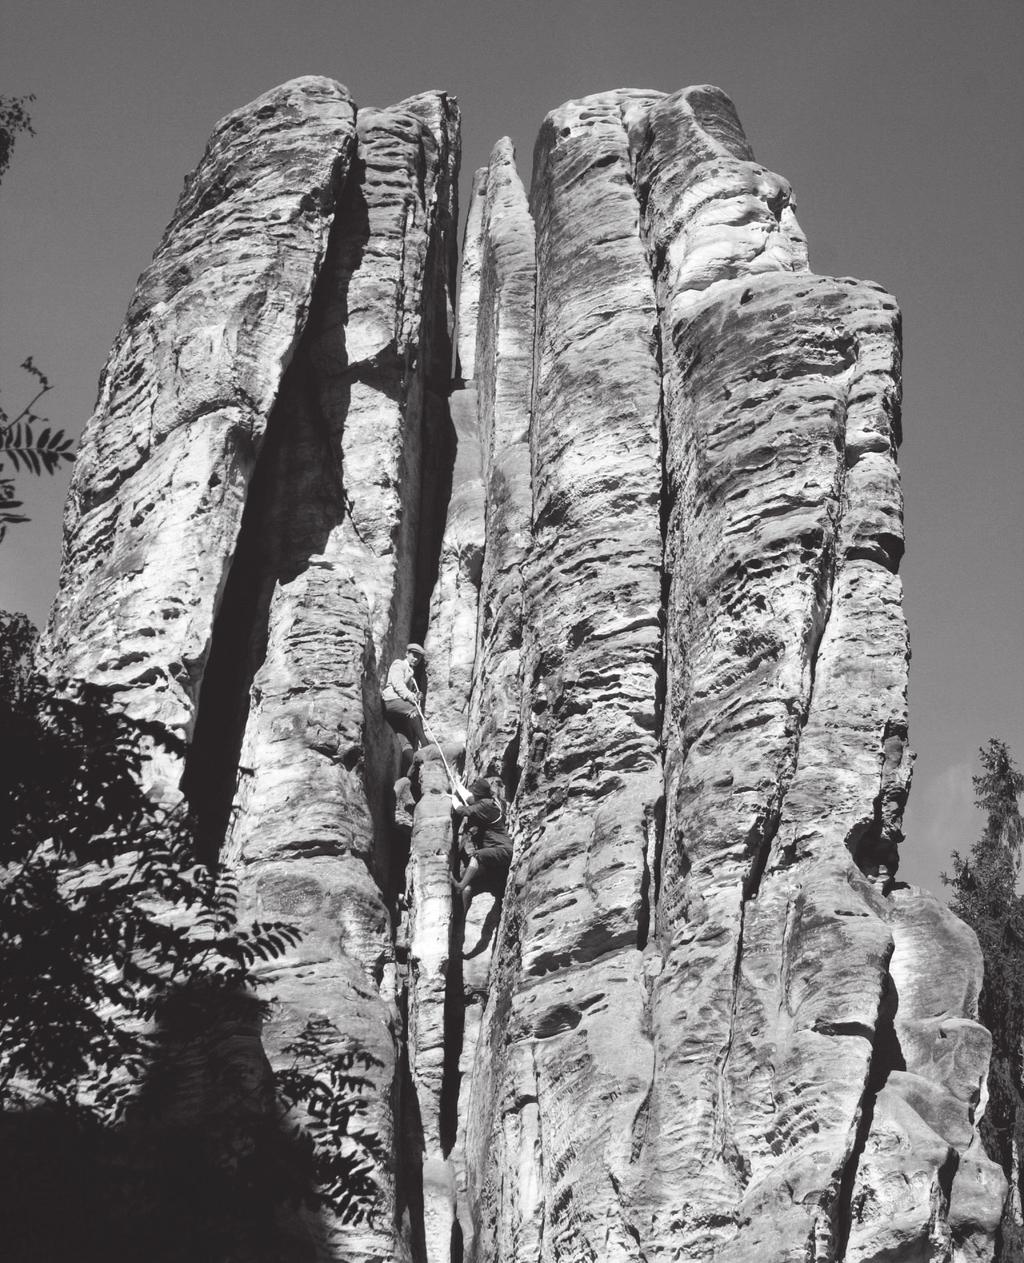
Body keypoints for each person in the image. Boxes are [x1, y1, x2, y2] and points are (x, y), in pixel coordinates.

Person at [450, 778, 513, 913]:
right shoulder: (492, 801)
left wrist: (453, 800)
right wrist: (458, 784)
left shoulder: (485, 805)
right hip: (500, 849)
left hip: (502, 850)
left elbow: (463, 811)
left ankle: (460, 886)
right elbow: (471, 799)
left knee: (477, 856)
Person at [382, 643, 428, 749]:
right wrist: (410, 696)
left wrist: (415, 695)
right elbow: (397, 684)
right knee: (414, 709)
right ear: (407, 653)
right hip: (390, 700)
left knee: (405, 737)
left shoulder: (411, 672)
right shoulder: (398, 664)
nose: (416, 659)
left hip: (398, 708)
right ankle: (425, 744)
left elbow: (404, 687)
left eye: (419, 658)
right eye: (414, 655)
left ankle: (411, 762)